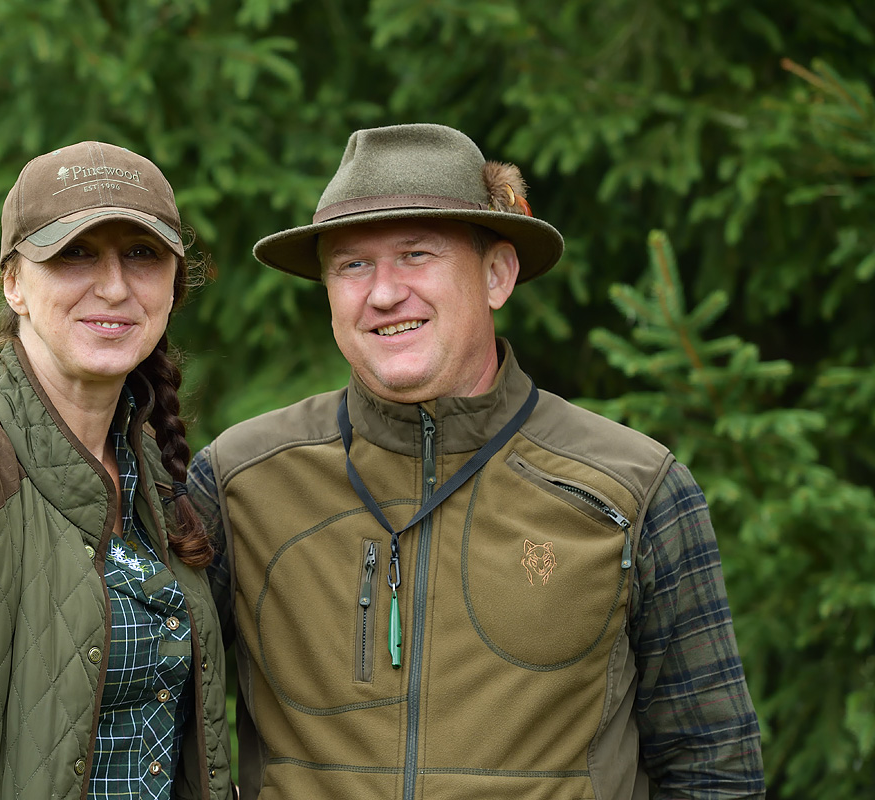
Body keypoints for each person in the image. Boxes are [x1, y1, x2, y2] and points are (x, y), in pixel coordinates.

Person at [188, 123, 764, 799]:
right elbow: (153, 716)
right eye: (352, 265)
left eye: (415, 254)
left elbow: (713, 769)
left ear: (497, 275)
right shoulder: (239, 481)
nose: (383, 293)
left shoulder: (634, 490)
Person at [0, 141, 232, 800]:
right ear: (14, 283)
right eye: (74, 253)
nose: (114, 286)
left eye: (142, 254)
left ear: (174, 282)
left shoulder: (156, 473)